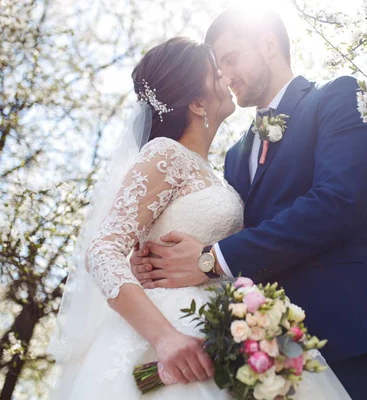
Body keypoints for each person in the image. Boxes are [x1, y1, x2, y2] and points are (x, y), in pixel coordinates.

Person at [132, 7, 367, 400]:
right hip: (267, 354)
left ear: (267, 44)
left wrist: (211, 258)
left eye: (230, 59)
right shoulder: (235, 156)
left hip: (353, 333)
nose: (223, 75)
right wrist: (155, 258)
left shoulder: (340, 96)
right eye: (217, 67)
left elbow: (338, 201)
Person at [48, 36, 349, 399]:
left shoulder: (218, 171)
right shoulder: (165, 154)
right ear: (195, 102)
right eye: (214, 73)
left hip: (224, 330)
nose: (225, 77)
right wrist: (164, 337)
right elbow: (102, 250)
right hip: (174, 333)